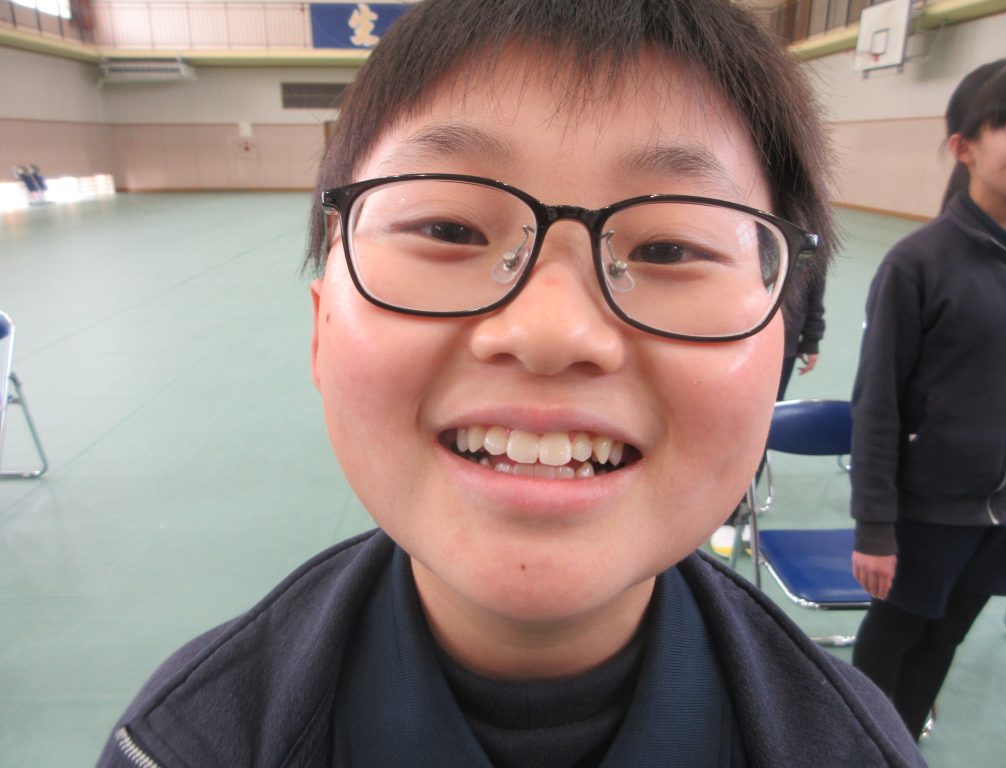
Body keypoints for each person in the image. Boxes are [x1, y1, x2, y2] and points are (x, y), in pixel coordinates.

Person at [97, 1, 925, 765]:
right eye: (449, 228)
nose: (550, 330)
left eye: (668, 248)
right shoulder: (179, 749)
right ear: (322, 328)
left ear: (780, 349)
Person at [850, 58, 1006, 741]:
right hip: (927, 513)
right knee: (895, 636)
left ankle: (898, 745)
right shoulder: (918, 263)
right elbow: (877, 404)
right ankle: (859, 742)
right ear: (965, 147)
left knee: (945, 639)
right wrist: (874, 526)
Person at [709, 271, 827, 558]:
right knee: (717, 417)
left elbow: (815, 285)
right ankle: (701, 495)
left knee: (759, 426)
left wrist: (811, 339)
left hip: (782, 345)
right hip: (728, 337)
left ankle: (734, 513)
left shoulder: (811, 248)